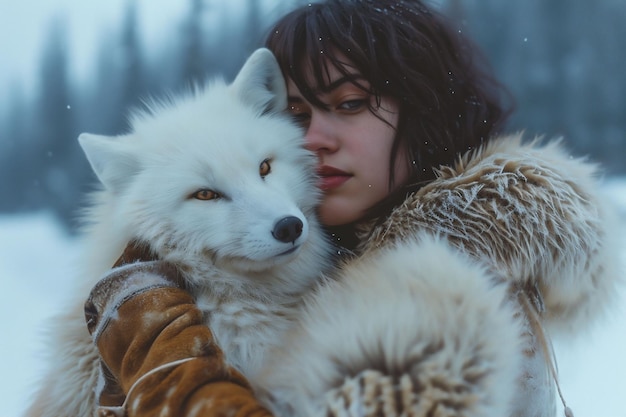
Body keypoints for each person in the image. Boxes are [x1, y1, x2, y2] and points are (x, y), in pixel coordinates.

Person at [82, 1, 620, 416]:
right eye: (292, 112)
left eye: (348, 104)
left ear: (426, 111)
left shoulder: (446, 294)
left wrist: (158, 352)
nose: (312, 138)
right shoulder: (341, 261)